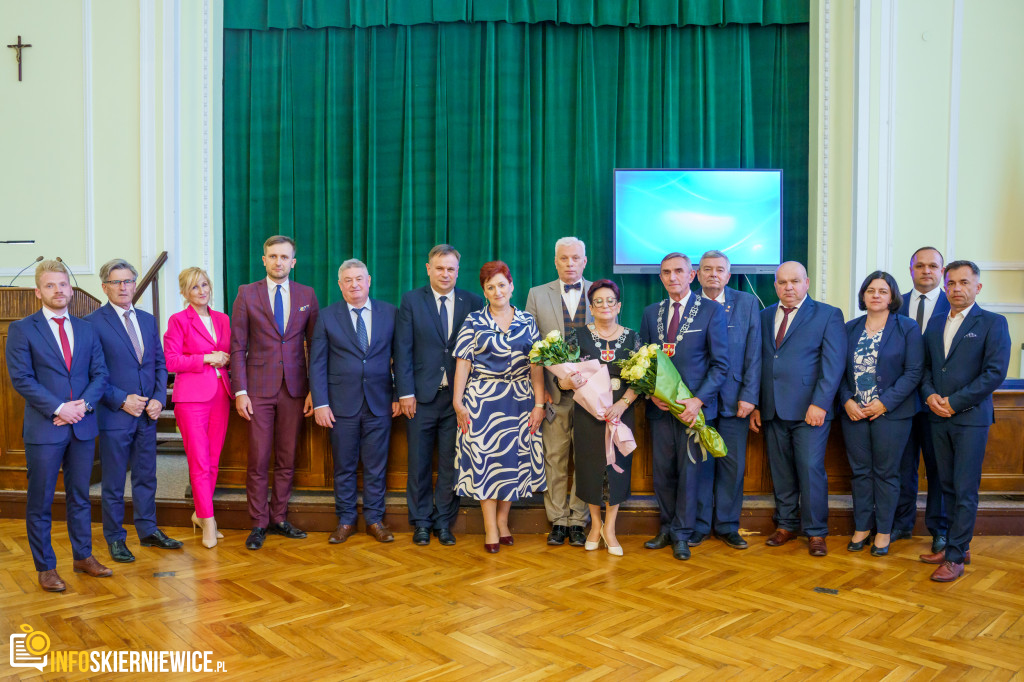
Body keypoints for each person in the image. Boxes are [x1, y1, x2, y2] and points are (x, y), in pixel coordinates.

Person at [5, 260, 111, 592]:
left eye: (63, 284)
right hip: (44, 429)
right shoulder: (23, 329)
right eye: (50, 285)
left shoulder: (87, 329)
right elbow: (22, 379)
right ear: (38, 291)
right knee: (41, 499)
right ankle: (46, 567)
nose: (58, 290)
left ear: (70, 288)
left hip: (82, 426)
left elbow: (100, 376)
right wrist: (60, 407)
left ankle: (83, 556)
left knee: (80, 496)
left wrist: (82, 406)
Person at [918, 260, 1010, 581]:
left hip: (970, 418)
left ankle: (956, 557)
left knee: (965, 488)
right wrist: (930, 396)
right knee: (946, 485)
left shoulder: (993, 323)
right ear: (945, 287)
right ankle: (959, 544)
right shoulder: (936, 322)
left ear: (977, 287)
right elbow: (927, 368)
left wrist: (954, 403)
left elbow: (994, 373)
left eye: (964, 283)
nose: (957, 289)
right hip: (937, 416)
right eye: (952, 283)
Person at [86, 258, 181, 563]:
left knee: (146, 475)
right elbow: (92, 373)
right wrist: (121, 399)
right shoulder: (92, 323)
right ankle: (115, 537)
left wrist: (157, 398)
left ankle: (148, 529)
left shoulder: (148, 319)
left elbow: (158, 363)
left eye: (129, 281)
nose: (124, 287)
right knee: (113, 480)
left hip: (147, 413)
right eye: (117, 282)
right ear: (105, 287)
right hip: (116, 413)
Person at [230, 235, 320, 550]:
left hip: (295, 390)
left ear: (293, 262)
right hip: (257, 390)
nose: (278, 262)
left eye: (284, 257)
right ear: (264, 260)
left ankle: (279, 517)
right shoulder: (246, 294)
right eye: (273, 256)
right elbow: (238, 346)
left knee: (286, 457)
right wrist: (240, 390)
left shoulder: (307, 294)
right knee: (258, 458)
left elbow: (315, 346)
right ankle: (258, 523)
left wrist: (314, 391)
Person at [750, 261, 845, 557]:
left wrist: (820, 403)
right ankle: (787, 525)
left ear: (806, 283)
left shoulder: (828, 314)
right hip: (772, 408)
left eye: (794, 281)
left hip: (810, 410)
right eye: (782, 282)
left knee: (810, 470)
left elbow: (833, 364)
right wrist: (755, 404)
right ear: (775, 286)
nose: (788, 287)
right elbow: (759, 362)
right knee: (781, 472)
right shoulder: (764, 316)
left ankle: (816, 532)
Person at [640, 253, 729, 561]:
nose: (672, 277)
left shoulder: (711, 311)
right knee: (663, 473)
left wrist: (697, 400)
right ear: (661, 277)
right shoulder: (652, 313)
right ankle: (666, 528)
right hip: (660, 410)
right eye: (666, 272)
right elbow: (644, 362)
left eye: (679, 271)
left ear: (692, 275)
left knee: (690, 474)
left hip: (694, 411)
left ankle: (683, 534)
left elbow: (720, 365)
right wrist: (650, 393)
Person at [453, 261, 547, 553]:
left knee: (512, 464)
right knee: (485, 464)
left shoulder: (527, 321)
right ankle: (490, 526)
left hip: (520, 399)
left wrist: (539, 403)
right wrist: (458, 402)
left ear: (511, 286)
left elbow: (536, 366)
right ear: (484, 291)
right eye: (490, 287)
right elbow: (463, 363)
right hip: (482, 401)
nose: (497, 291)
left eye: (501, 285)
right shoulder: (473, 321)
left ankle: (504, 520)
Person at [395, 245, 484, 546]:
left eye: (451, 269)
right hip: (420, 397)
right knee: (419, 462)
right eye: (440, 268)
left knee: (451, 463)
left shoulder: (472, 301)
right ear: (428, 268)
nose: (445, 273)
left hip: (458, 400)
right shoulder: (411, 300)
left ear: (458, 271)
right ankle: (420, 522)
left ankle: (443, 522)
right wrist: (404, 392)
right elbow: (403, 350)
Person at [311, 259, 399, 544]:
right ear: (340, 285)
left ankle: (374, 520)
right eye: (347, 280)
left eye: (359, 278)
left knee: (376, 466)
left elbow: (402, 359)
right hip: (340, 405)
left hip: (380, 403)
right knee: (344, 466)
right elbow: (317, 363)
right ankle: (346, 520)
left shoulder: (390, 313)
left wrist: (399, 395)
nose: (354, 284)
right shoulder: (326, 316)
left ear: (369, 280)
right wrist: (321, 403)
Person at [837, 271, 923, 557]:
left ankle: (884, 531)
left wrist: (884, 403)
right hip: (854, 413)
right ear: (863, 295)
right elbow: (836, 370)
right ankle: (862, 527)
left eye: (883, 291)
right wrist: (847, 400)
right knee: (861, 473)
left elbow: (913, 373)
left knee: (886, 474)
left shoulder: (907, 328)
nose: (876, 295)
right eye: (871, 290)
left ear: (892, 296)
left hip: (891, 413)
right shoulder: (849, 328)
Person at [525, 237, 592, 547]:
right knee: (555, 455)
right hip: (553, 393)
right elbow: (532, 350)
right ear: (555, 262)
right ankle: (557, 520)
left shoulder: (600, 294)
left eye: (575, 258)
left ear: (584, 261)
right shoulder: (537, 295)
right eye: (564, 258)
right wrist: (541, 394)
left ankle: (579, 519)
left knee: (585, 457)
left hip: (591, 394)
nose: (569, 263)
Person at [693, 250, 761, 551]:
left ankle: (728, 526)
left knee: (732, 465)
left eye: (719, 269)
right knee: (701, 464)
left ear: (728, 275)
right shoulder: (690, 304)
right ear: (697, 274)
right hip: (699, 400)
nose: (713, 274)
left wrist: (750, 395)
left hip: (736, 400)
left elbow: (754, 353)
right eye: (707, 269)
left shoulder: (746, 303)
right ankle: (699, 525)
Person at [568, 280, 639, 556]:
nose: (605, 305)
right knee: (589, 468)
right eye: (598, 301)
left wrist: (622, 404)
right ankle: (595, 526)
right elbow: (566, 378)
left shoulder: (633, 338)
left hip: (621, 414)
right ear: (591, 307)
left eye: (610, 300)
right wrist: (568, 383)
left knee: (617, 468)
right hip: (589, 414)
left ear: (619, 305)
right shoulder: (577, 336)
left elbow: (642, 378)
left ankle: (610, 528)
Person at [163, 267, 233, 548]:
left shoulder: (223, 319)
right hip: (192, 398)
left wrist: (223, 360)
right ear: (184, 293)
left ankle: (200, 514)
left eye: (204, 284)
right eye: (194, 287)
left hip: (221, 396)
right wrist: (206, 358)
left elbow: (228, 354)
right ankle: (209, 520)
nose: (202, 291)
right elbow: (171, 361)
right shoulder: (178, 320)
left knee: (213, 461)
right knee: (200, 461)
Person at [892, 246, 951, 552]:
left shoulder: (951, 304)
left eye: (933, 266)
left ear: (942, 271)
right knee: (902, 466)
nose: (926, 271)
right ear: (911, 269)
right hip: (901, 403)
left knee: (938, 468)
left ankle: (939, 528)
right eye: (920, 266)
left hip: (938, 402)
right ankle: (901, 524)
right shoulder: (895, 304)